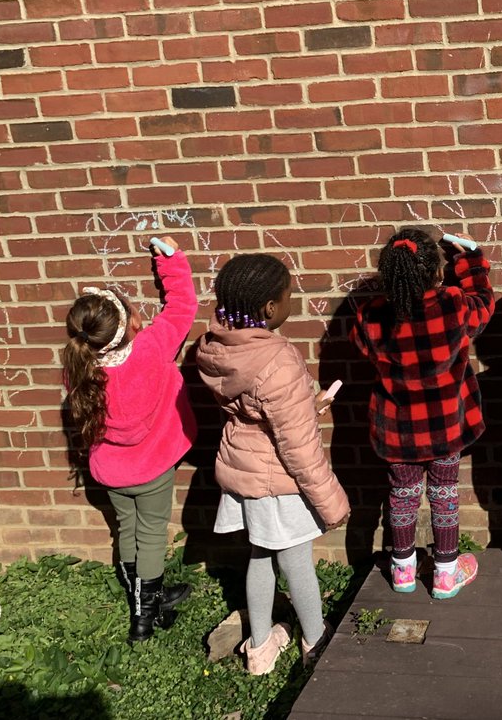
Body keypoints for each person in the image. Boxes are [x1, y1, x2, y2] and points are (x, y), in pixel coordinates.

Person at [196, 254, 349, 674]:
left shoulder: (216, 347)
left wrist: (305, 406)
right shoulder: (277, 359)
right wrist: (331, 501)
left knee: (260, 556)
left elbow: (256, 411)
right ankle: (316, 641)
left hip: (243, 471)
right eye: (288, 297)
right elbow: (297, 447)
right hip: (278, 481)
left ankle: (260, 648)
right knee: (296, 560)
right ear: (269, 309)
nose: (290, 302)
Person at [62, 235, 197, 642]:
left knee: (127, 529)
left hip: (111, 472)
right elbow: (183, 307)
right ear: (132, 323)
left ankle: (145, 595)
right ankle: (145, 613)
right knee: (153, 534)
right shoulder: (153, 348)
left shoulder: (79, 368)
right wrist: (172, 261)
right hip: (153, 467)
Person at [351, 228, 494, 600]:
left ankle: (402, 570)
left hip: (397, 431)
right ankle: (445, 573)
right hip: (446, 426)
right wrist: (470, 259)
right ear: (436, 273)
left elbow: (361, 346)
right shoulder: (454, 304)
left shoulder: (371, 316)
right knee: (444, 492)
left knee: (402, 495)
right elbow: (484, 302)